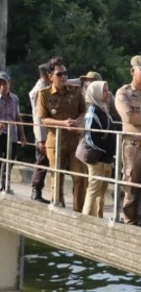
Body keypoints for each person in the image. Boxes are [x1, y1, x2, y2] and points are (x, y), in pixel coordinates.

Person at [38, 56, 88, 211]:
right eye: (60, 74)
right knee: (57, 176)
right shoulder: (44, 94)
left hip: (75, 140)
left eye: (65, 73)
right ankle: (58, 207)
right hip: (55, 141)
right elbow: (43, 118)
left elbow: (84, 111)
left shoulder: (76, 90)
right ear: (50, 77)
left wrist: (76, 122)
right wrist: (62, 124)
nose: (64, 77)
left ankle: (79, 211)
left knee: (80, 176)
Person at [115, 55, 141, 227]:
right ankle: (130, 222)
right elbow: (129, 116)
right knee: (131, 187)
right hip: (133, 146)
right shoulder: (123, 92)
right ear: (133, 71)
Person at [81, 81, 117, 218]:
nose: (107, 93)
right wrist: (103, 150)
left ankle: (98, 217)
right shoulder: (93, 112)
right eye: (104, 91)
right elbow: (90, 136)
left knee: (102, 192)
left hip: (106, 158)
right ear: (95, 93)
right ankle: (85, 219)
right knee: (93, 189)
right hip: (98, 159)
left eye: (107, 90)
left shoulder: (103, 108)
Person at [29, 63, 52, 203]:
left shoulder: (42, 87)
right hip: (42, 133)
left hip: (41, 133)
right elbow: (38, 116)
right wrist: (41, 139)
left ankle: (36, 191)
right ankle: (35, 192)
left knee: (42, 161)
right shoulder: (41, 90)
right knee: (42, 161)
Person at [0, 72, 26, 191]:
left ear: (9, 84)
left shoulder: (14, 98)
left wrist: (22, 135)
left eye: (4, 83)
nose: (2, 86)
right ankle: (2, 185)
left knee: (10, 160)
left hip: (12, 134)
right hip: (0, 134)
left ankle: (5, 184)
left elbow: (18, 117)